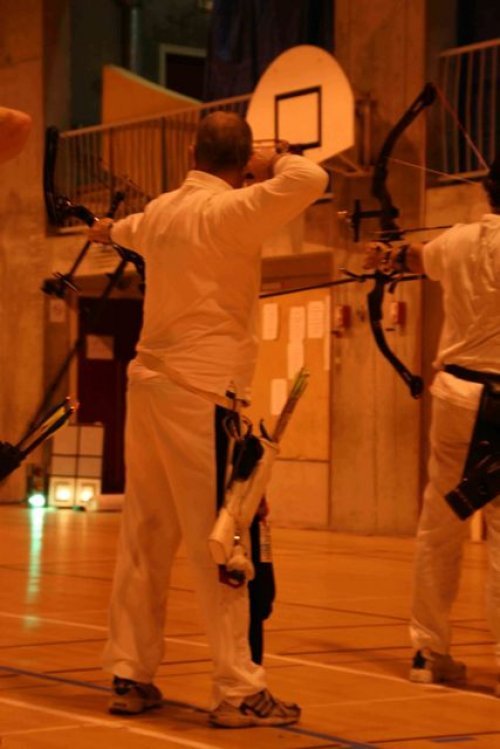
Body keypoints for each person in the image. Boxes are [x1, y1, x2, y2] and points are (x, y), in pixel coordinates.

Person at [88, 111, 328, 727]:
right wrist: (272, 159)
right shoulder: (233, 210)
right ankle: (239, 690)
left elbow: (124, 229)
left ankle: (131, 672)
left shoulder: (162, 212)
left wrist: (106, 230)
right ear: (243, 163)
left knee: (145, 536)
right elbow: (311, 178)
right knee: (223, 544)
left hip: (148, 390)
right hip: (202, 398)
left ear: (191, 154)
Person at [364, 156, 500, 691]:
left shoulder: (458, 240)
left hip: (457, 397)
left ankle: (428, 651)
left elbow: (417, 257)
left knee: (440, 526)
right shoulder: (460, 240)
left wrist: (389, 254)